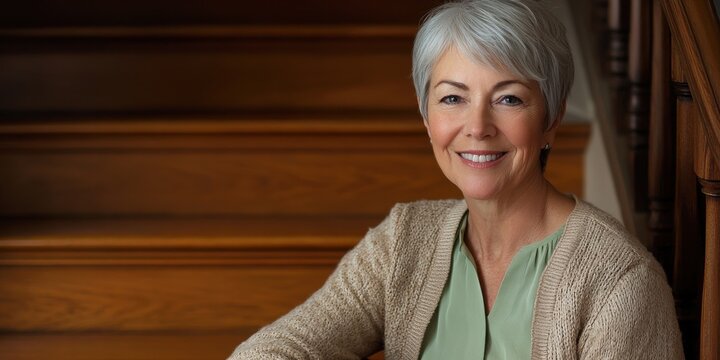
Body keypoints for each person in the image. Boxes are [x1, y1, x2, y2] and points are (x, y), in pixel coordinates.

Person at [228, 0, 684, 358]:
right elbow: (274, 351)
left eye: (508, 99)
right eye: (452, 99)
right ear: (427, 119)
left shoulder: (620, 281)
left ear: (552, 117)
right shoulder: (401, 241)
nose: (478, 126)